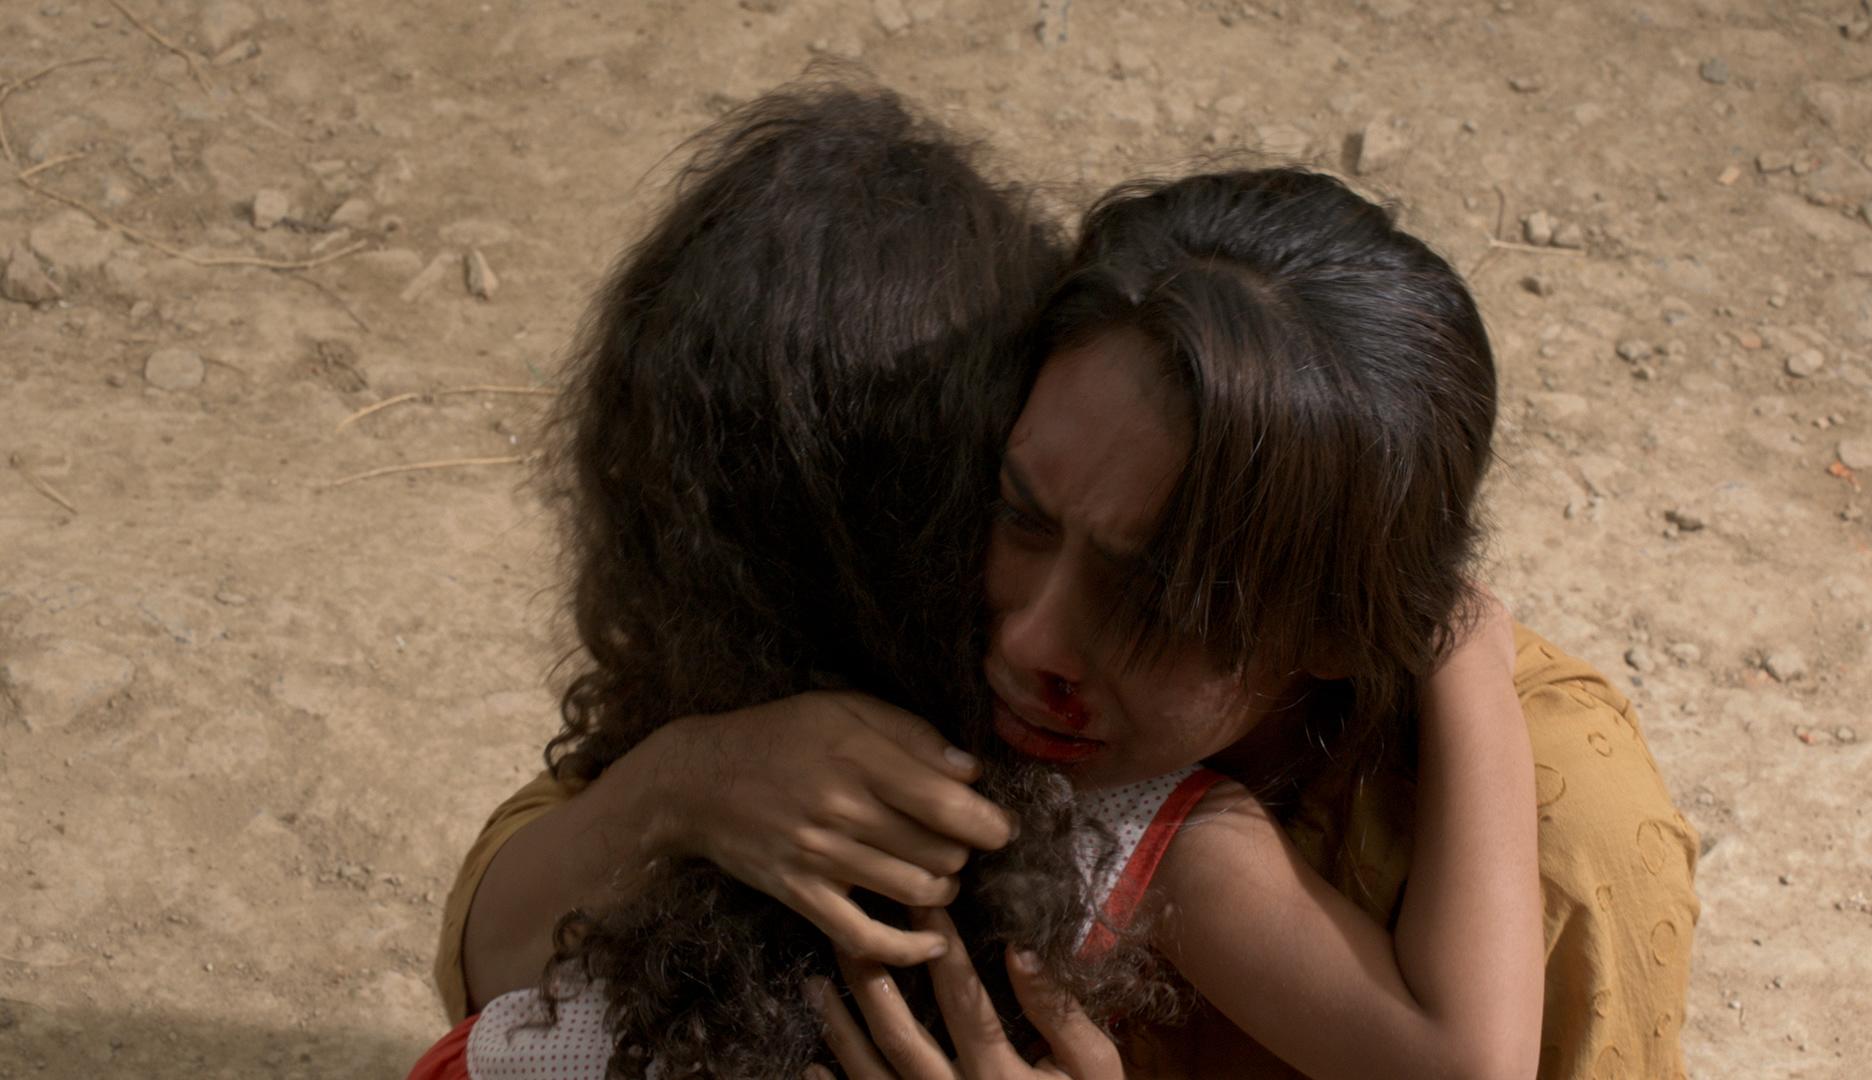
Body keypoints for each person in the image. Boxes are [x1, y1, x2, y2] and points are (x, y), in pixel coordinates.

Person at [435, 162, 1697, 1079]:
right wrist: (683, 785)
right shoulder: (912, 625)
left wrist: (1459, 647)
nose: (1035, 639)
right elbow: (495, 962)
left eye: (1155, 596)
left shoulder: (1544, 818)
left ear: (1338, 629)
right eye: (1023, 514)